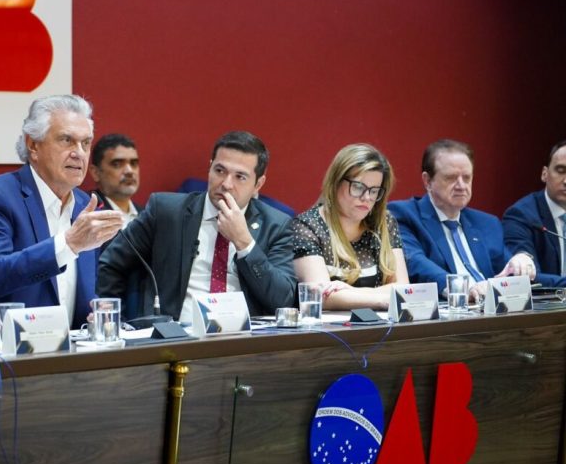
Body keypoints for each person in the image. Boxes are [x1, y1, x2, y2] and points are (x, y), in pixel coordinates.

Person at [97, 131, 296, 321]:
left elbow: (283, 300)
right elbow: (111, 263)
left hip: (242, 342)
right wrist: (116, 321)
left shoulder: (276, 225)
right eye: (220, 170)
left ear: (258, 184)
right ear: (209, 168)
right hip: (175, 339)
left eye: (240, 177)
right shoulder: (166, 211)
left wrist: (244, 243)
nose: (226, 184)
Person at [0, 95, 123, 327]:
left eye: (85, 143)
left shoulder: (83, 203)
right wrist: (68, 244)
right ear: (33, 145)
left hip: (71, 352)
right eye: (67, 140)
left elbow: (70, 292)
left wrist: (95, 312)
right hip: (5, 350)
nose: (79, 153)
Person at [389, 139, 535, 300]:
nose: (461, 185)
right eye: (451, 178)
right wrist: (464, 289)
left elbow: (507, 271)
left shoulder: (487, 223)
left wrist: (521, 260)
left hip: (492, 311)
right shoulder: (403, 214)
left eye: (466, 178)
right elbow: (415, 262)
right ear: (427, 181)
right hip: (450, 314)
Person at [291, 144, 408, 310]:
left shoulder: (384, 222)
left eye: (374, 191)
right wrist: (380, 300)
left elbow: (404, 289)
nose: (367, 197)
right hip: (330, 333)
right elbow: (320, 298)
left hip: (381, 328)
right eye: (358, 187)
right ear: (336, 183)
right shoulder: (307, 226)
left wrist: (350, 292)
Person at [502, 140, 566, 286]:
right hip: (549, 306)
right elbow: (527, 276)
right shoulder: (521, 215)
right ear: (544, 174)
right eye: (561, 171)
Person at [89, 134, 142, 227]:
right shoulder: (86, 213)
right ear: (96, 173)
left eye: (134, 163)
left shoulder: (147, 215)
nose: (129, 171)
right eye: (117, 164)